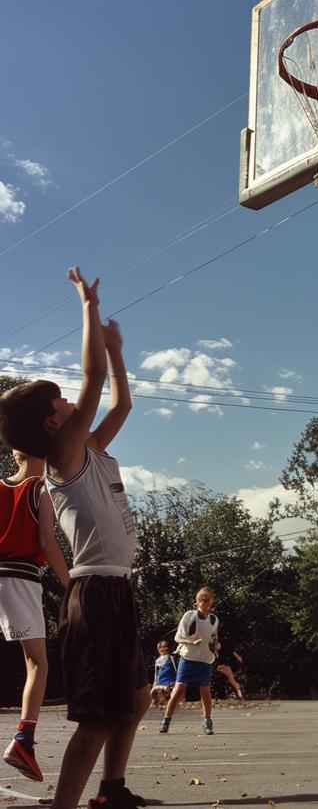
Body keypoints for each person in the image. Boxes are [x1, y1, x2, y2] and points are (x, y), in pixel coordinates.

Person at [0, 267, 150, 809]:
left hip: (119, 588)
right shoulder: (64, 458)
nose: (72, 403)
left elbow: (121, 404)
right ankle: (66, 803)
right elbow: (92, 379)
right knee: (98, 718)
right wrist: (88, 307)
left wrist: (119, 352)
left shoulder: (91, 449)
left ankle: (111, 789)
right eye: (61, 402)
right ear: (50, 425)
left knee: (135, 697)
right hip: (95, 595)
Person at [1, 450, 69, 781]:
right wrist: (72, 585)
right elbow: (47, 541)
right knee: (37, 663)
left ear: (14, 453)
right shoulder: (42, 489)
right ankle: (24, 741)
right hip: (20, 577)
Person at [159, 587, 219, 735]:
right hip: (188, 659)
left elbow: (214, 639)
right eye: (201, 600)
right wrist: (190, 640)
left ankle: (207, 722)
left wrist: (216, 645)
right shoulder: (189, 616)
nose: (204, 602)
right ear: (197, 602)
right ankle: (166, 720)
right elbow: (177, 637)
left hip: (205, 660)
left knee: (205, 691)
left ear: (212, 602)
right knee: (178, 690)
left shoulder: (214, 619)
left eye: (207, 600)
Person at [151, 640, 178, 707]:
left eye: (165, 646)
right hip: (159, 682)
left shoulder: (171, 658)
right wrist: (155, 683)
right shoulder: (158, 660)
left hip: (169, 682)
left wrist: (176, 681)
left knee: (167, 693)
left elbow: (176, 670)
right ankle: (161, 703)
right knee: (156, 693)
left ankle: (168, 705)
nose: (163, 649)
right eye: (160, 647)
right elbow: (156, 673)